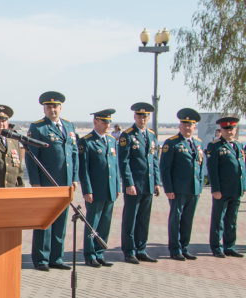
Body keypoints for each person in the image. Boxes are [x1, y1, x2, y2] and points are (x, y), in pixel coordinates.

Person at [25, 91, 79, 272]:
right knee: (44, 222)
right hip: (46, 183)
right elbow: (32, 157)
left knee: (61, 221)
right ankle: (41, 258)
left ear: (60, 108)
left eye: (55, 106)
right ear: (44, 109)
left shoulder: (69, 126)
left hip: (65, 184)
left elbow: (74, 154)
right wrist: (36, 183)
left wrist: (75, 178)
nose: (52, 109)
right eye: (49, 107)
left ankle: (57, 257)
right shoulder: (38, 128)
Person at [118, 102, 161, 265]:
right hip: (134, 186)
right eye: (140, 116)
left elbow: (154, 160)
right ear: (134, 117)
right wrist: (128, 183)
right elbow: (124, 161)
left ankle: (141, 249)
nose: (143, 119)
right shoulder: (127, 135)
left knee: (144, 219)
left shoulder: (151, 135)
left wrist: (157, 182)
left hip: (148, 185)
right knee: (130, 219)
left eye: (146, 116)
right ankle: (129, 251)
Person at [159, 109, 204, 261]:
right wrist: (169, 188)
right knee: (176, 219)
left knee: (187, 220)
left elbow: (200, 165)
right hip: (178, 190)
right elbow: (165, 167)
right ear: (180, 126)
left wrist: (200, 186)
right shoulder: (171, 143)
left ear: (194, 127)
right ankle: (174, 249)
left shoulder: (197, 143)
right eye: (184, 124)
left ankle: (184, 247)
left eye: (190, 125)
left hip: (193, 189)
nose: (187, 127)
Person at [77, 109, 120, 267]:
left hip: (109, 190)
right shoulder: (86, 141)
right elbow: (84, 169)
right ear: (95, 122)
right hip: (95, 191)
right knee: (92, 224)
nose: (107, 125)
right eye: (104, 122)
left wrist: (117, 186)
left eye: (109, 122)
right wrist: (87, 190)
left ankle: (100, 252)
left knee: (105, 224)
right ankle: (89, 255)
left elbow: (115, 167)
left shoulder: (112, 140)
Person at [205, 115, 245, 258]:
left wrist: (243, 186)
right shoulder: (215, 146)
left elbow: (241, 167)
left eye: (232, 128)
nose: (229, 131)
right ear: (221, 130)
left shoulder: (238, 145)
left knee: (232, 220)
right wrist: (215, 189)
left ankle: (230, 246)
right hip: (222, 190)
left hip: (236, 189)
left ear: (235, 129)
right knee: (218, 219)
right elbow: (212, 169)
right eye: (226, 129)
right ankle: (216, 247)